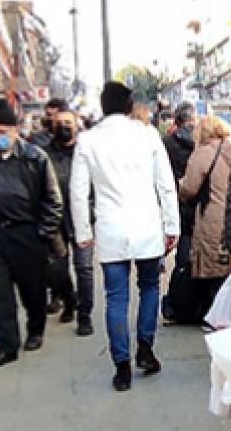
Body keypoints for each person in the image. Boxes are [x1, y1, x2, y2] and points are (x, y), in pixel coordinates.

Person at [72, 82, 180, 392]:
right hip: (147, 225)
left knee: (116, 297)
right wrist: (172, 225)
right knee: (149, 287)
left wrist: (83, 230)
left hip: (110, 229)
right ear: (130, 105)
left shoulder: (88, 141)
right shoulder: (147, 136)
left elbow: (79, 192)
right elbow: (166, 184)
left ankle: (122, 366)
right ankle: (145, 347)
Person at [0, 100, 63, 369]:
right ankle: (6, 347)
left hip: (27, 234)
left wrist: (42, 233)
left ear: (15, 131)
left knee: (32, 290)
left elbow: (53, 201)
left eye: (3, 132)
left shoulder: (35, 158)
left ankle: (35, 329)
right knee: (0, 295)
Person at [178, 116, 231, 322]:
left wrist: (180, 185)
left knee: (211, 265)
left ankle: (213, 314)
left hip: (211, 214)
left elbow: (189, 189)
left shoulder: (203, 153)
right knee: (229, 264)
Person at [44, 109, 94, 336]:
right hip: (55, 220)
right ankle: (69, 300)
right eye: (59, 123)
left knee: (84, 268)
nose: (64, 127)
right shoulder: (44, 155)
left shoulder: (86, 153)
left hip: (82, 218)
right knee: (57, 269)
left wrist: (92, 211)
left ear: (76, 125)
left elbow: (97, 186)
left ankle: (84, 316)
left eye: (68, 123)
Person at [161, 102, 199, 325]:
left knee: (183, 258)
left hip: (176, 206)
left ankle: (177, 305)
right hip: (201, 208)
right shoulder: (202, 146)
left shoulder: (165, 144)